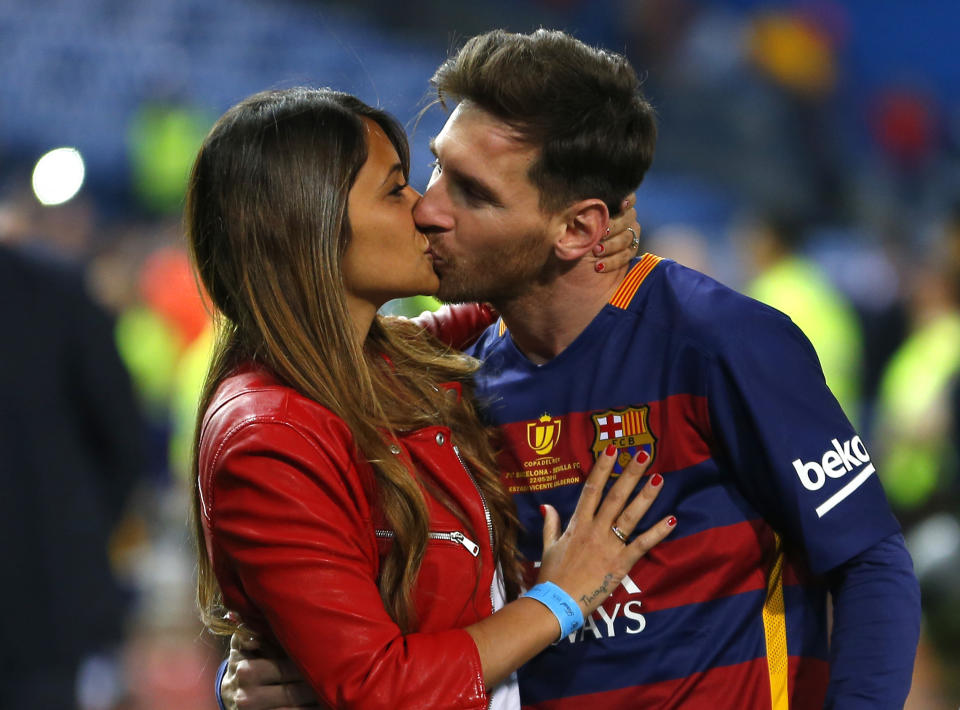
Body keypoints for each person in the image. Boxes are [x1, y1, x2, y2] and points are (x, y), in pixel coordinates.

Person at [224, 30, 921, 709]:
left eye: (472, 191)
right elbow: (395, 645)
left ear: (577, 230)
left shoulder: (720, 344)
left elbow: (869, 561)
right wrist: (309, 683)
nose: (430, 209)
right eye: (436, 167)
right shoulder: (450, 382)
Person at [188, 87, 675, 710]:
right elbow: (378, 687)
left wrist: (568, 234)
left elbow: (491, 296)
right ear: (307, 226)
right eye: (395, 190)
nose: (424, 209)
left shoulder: (387, 360)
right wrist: (557, 600)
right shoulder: (268, 436)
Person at [0, 241, 143, 709]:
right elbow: (123, 438)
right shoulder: (54, 291)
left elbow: (122, 439)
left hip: (46, 612)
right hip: (51, 604)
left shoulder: (56, 291)